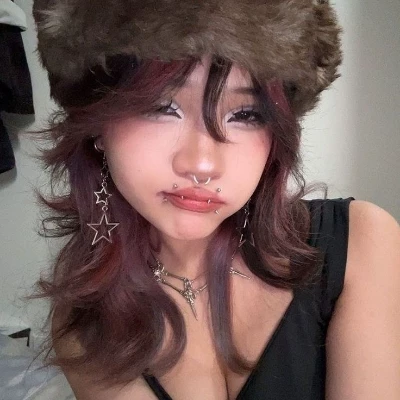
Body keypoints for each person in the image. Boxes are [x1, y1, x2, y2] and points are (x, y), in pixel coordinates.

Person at [32, 0, 400, 399]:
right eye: (160, 107)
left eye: (247, 115)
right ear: (96, 124)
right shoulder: (86, 320)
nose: (202, 164)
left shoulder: (361, 243)